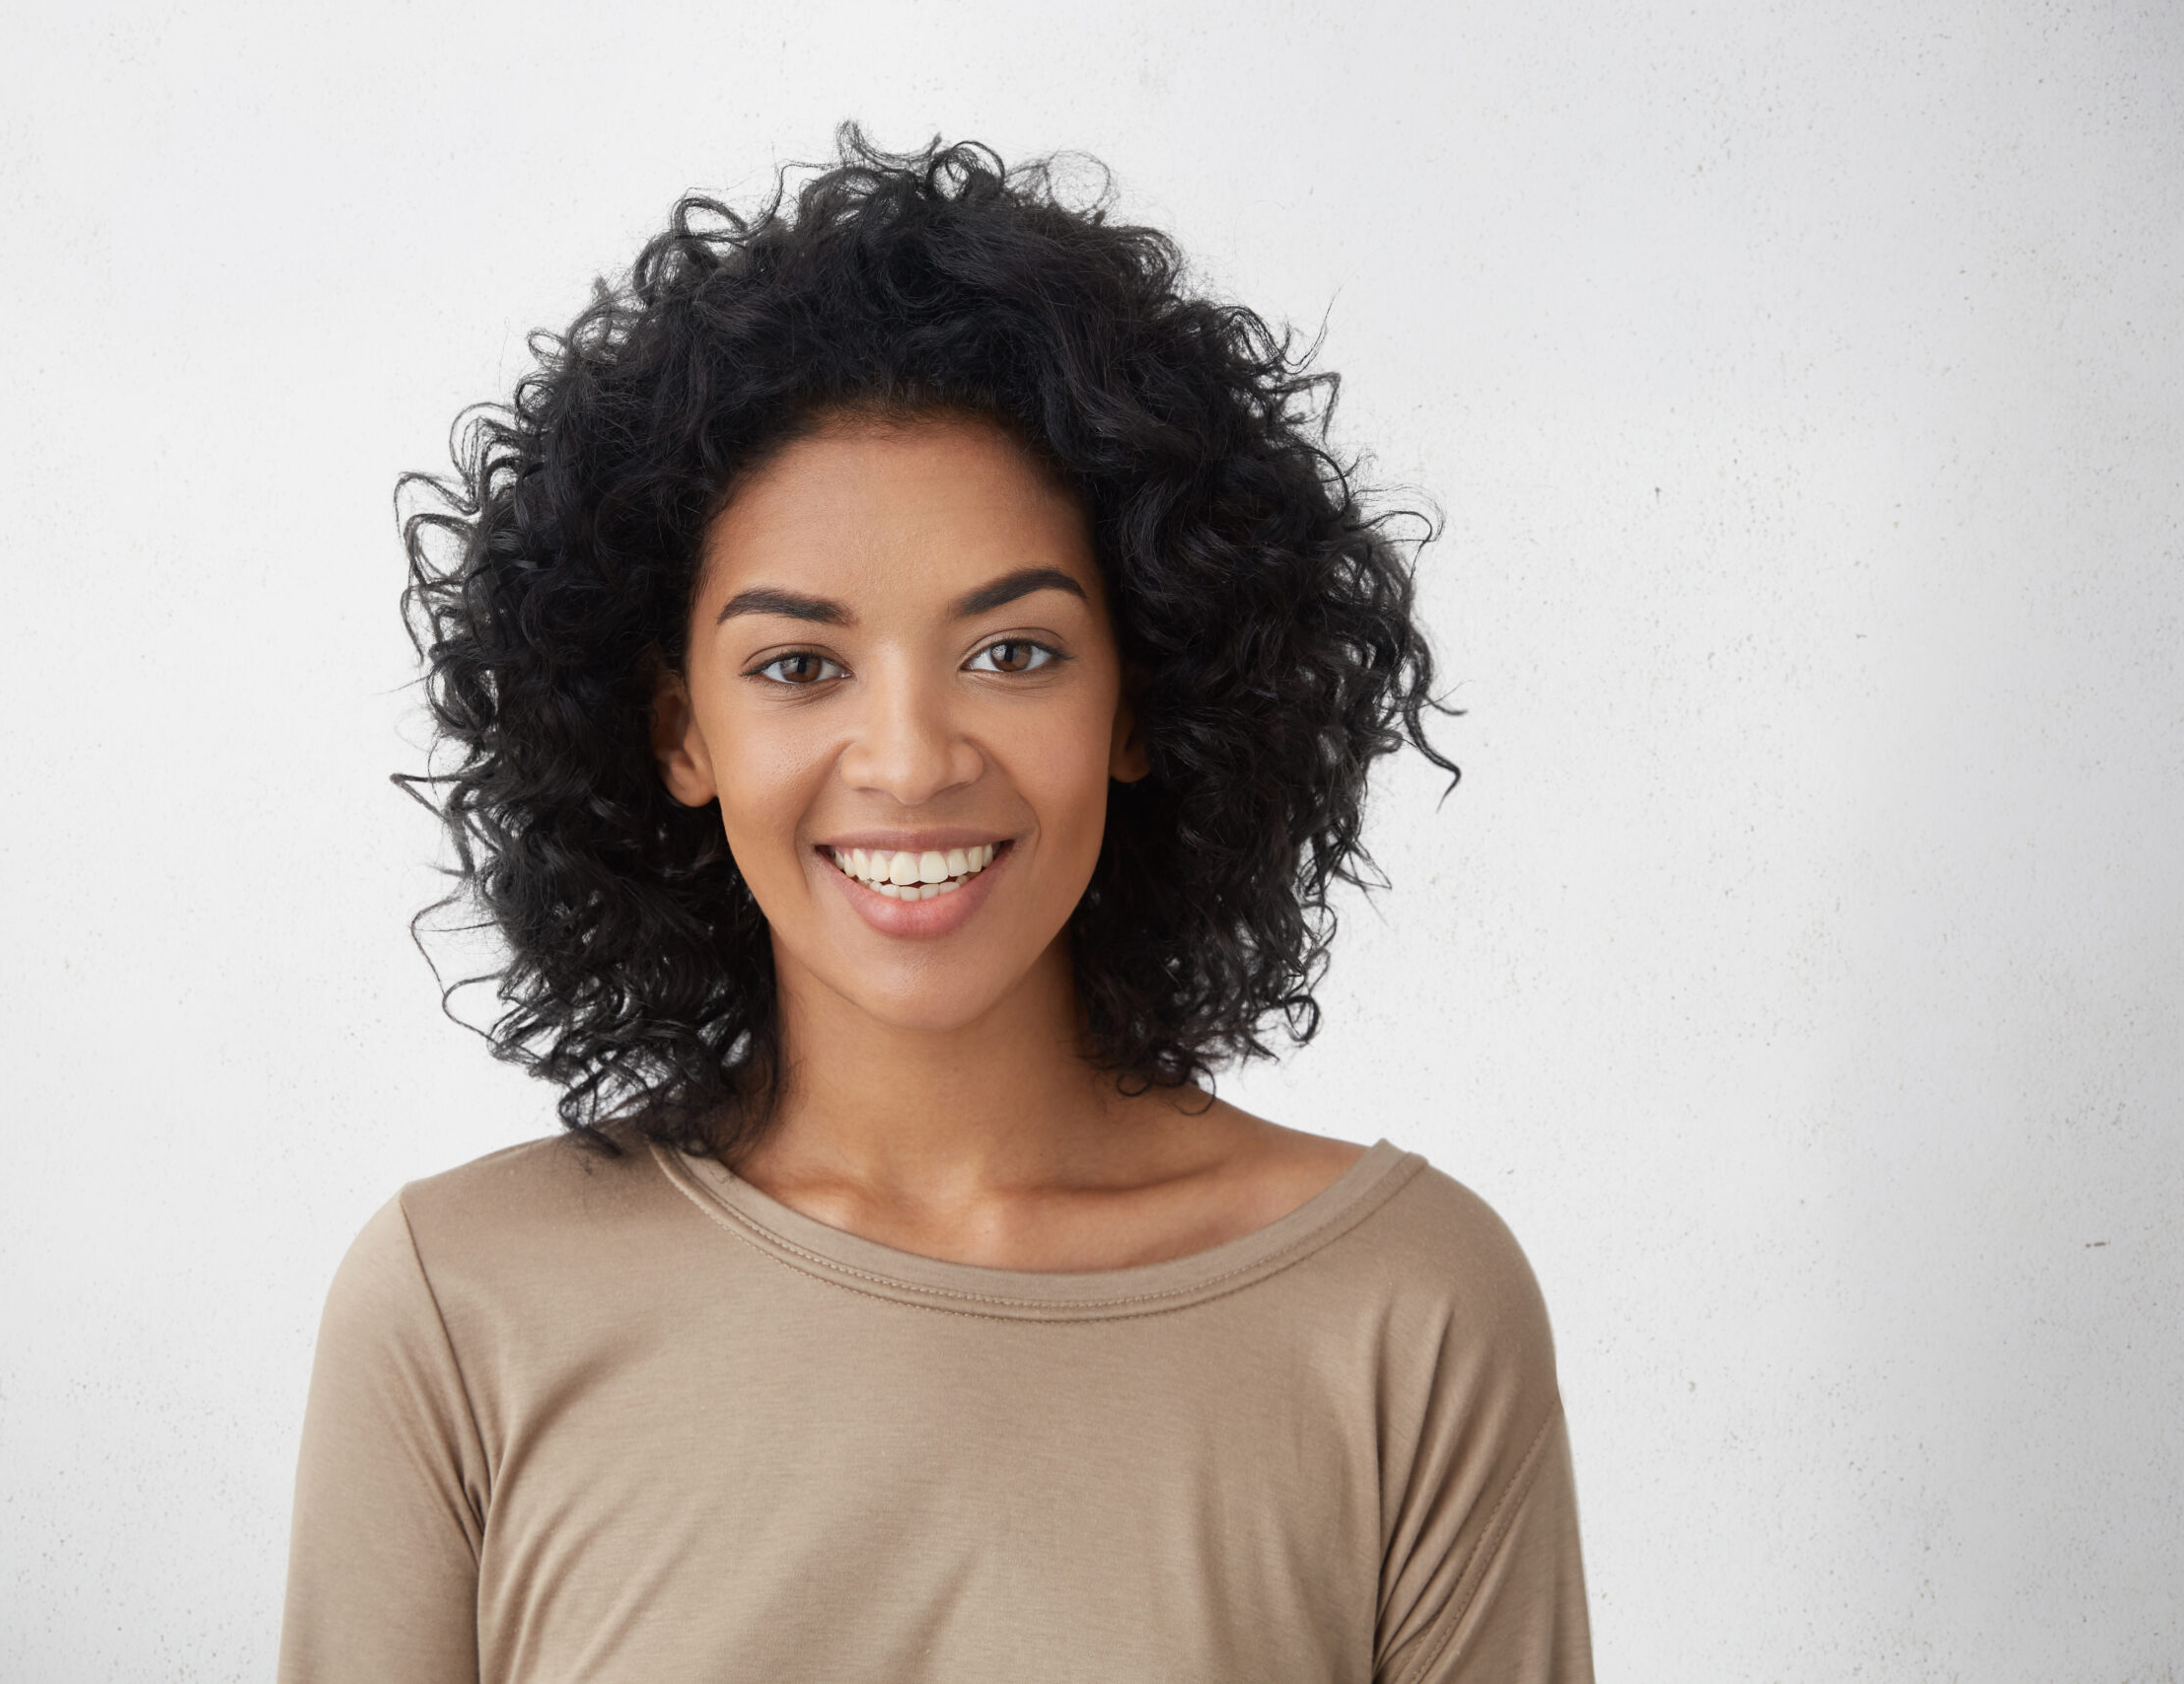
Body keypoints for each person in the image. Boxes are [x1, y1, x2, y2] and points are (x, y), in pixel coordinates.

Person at [278, 129, 1592, 1683]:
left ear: (1142, 697)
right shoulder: (459, 1308)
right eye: (797, 666)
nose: (908, 760)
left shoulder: (1405, 1315)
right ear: (677, 731)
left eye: (1014, 652)